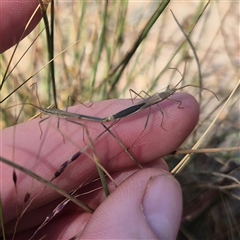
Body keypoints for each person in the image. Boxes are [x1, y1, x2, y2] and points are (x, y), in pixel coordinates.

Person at [0, 1, 199, 239]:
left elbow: (164, 102)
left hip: (141, 108)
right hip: (126, 112)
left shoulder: (166, 100)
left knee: (161, 112)